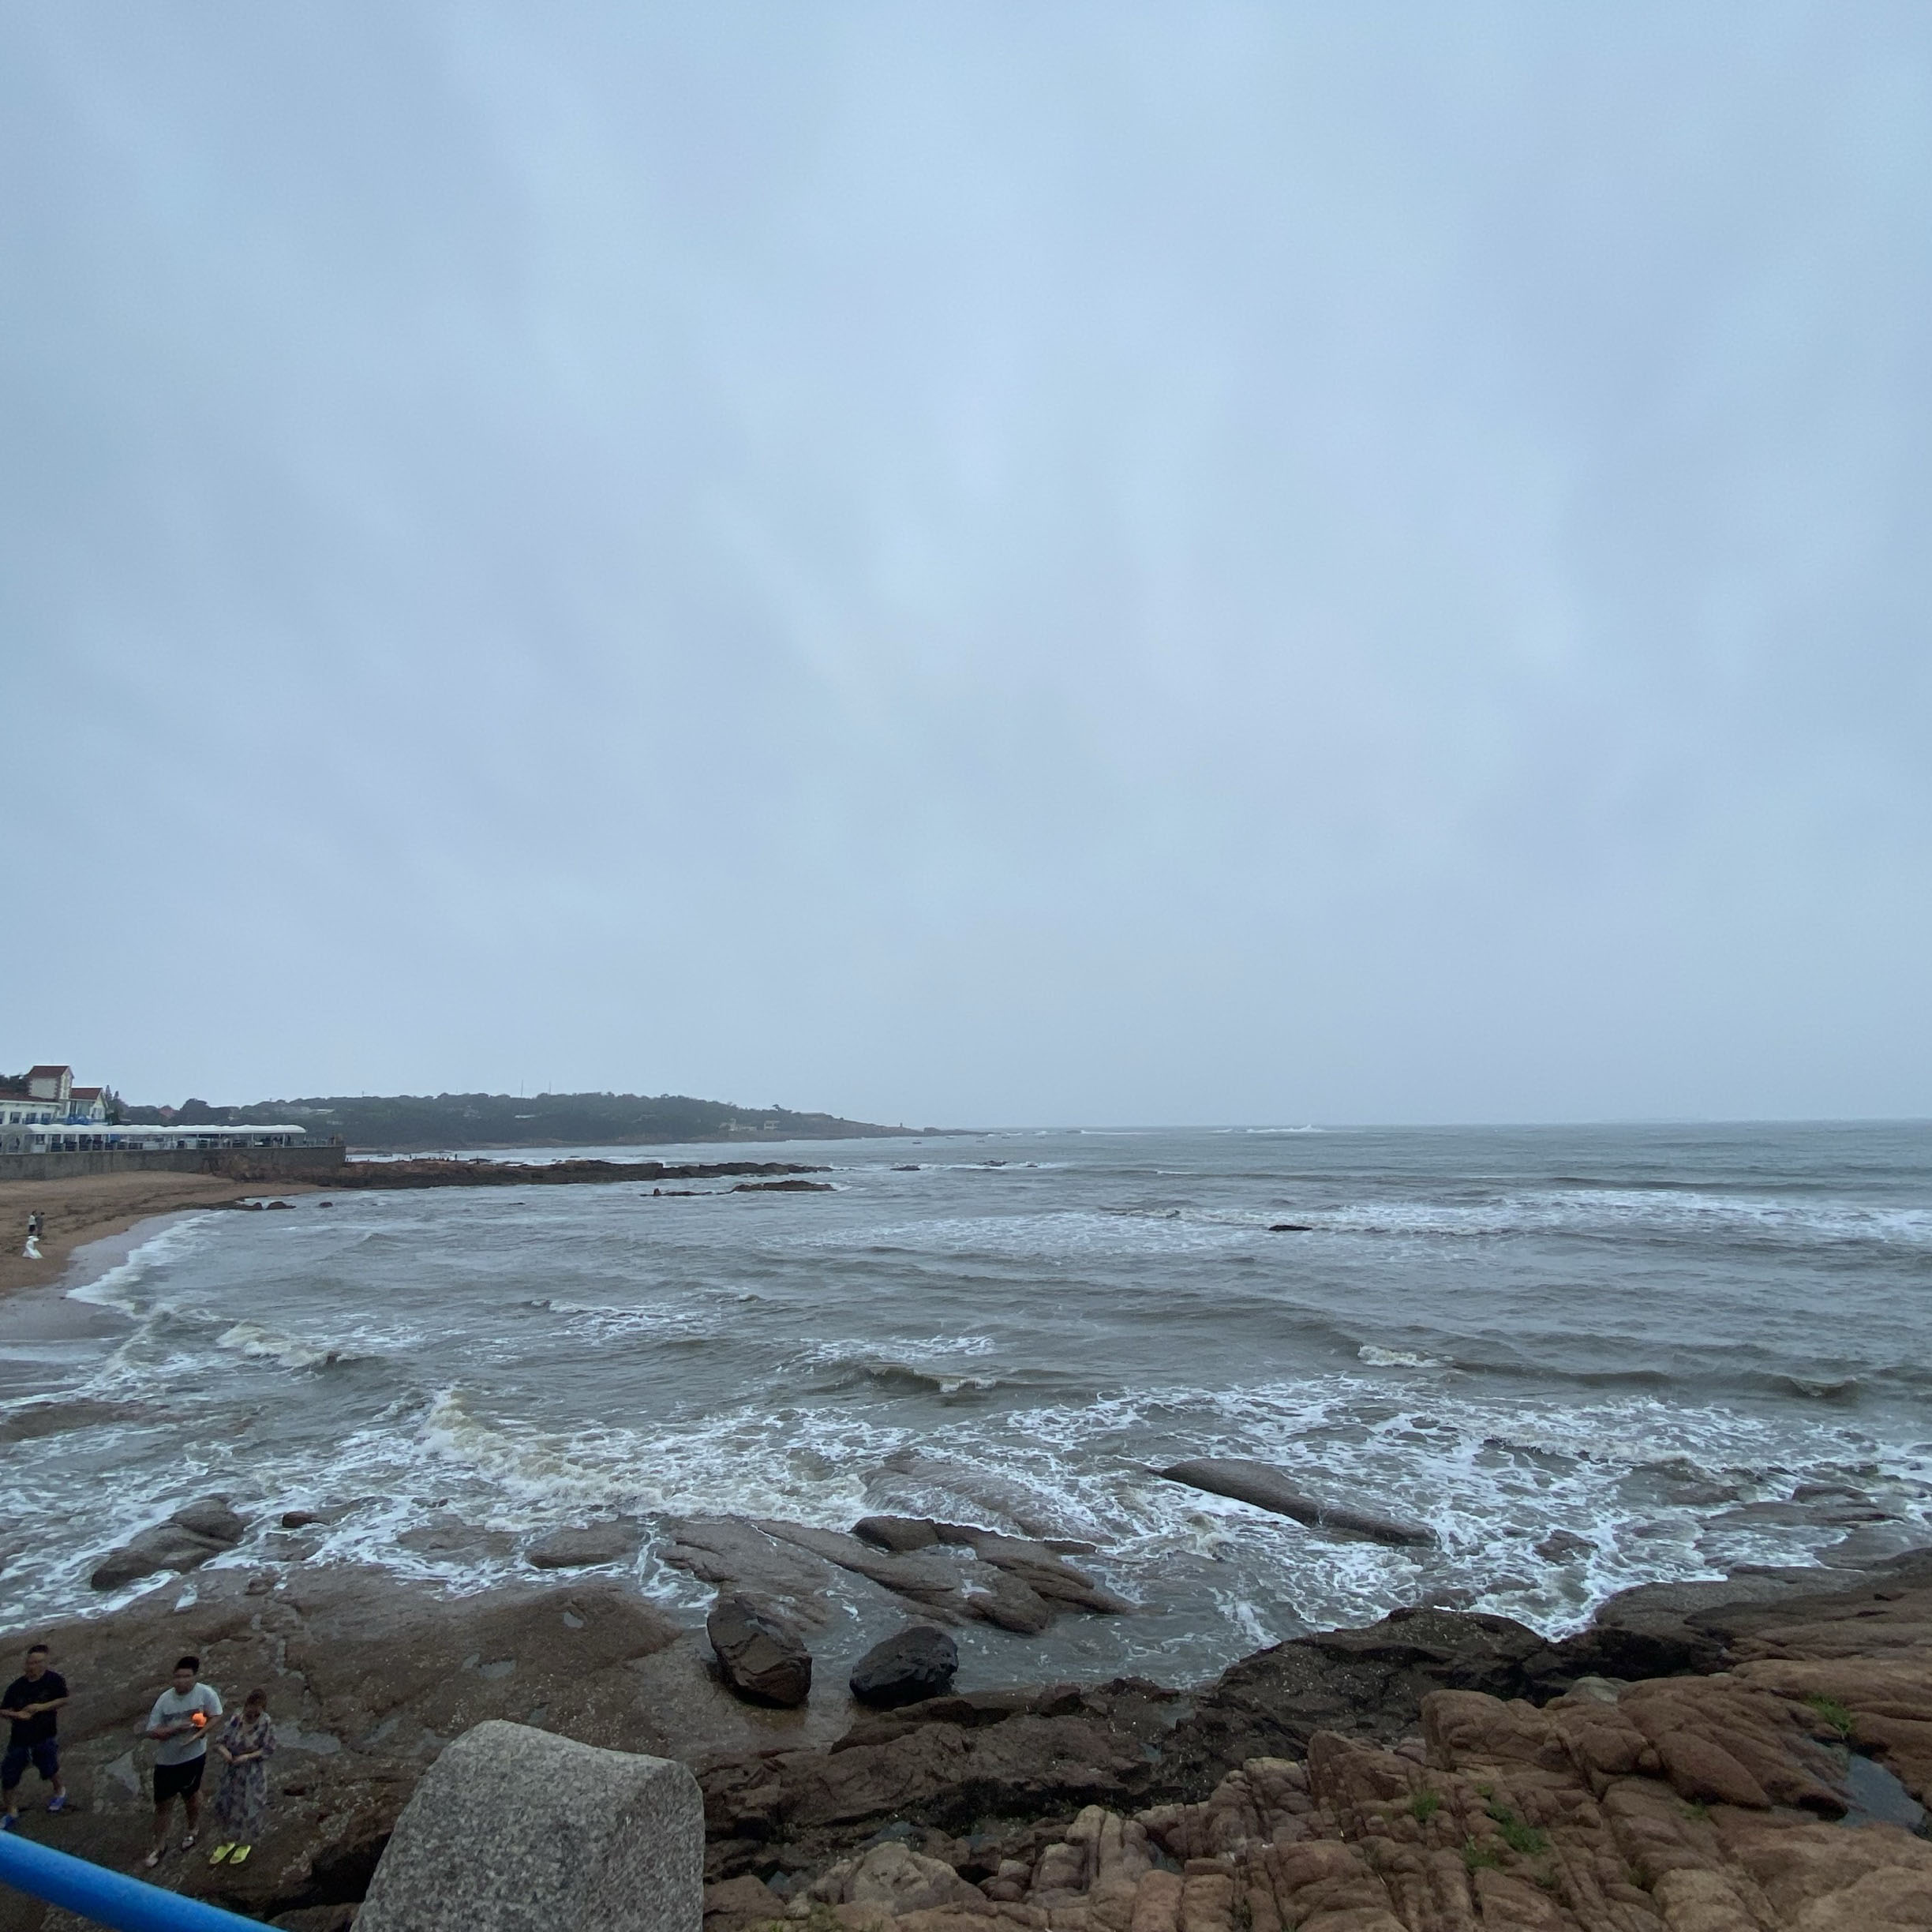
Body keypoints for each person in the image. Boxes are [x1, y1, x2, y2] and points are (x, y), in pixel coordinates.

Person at [142, 1656, 221, 1867]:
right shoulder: (165, 1700)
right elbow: (151, 1731)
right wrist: (173, 1730)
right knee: (163, 1804)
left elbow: (215, 1716)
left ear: (195, 1677)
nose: (181, 1681)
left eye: (187, 1676)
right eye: (177, 1676)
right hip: (167, 1761)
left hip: (193, 1757)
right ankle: (159, 1846)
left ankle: (192, 1829)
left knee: (191, 1795)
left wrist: (200, 1733)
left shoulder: (206, 1693)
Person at [1, 1643, 69, 1829]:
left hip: (44, 1735)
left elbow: (63, 1699)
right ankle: (11, 1810)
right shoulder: (17, 1687)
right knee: (9, 1775)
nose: (35, 1666)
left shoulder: (54, 1680)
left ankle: (59, 1791)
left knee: (49, 1768)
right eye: (31, 1662)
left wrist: (40, 1707)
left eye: (39, 1662)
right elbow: (3, 1709)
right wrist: (17, 1715)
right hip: (20, 1738)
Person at [208, 1689, 275, 1865]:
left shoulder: (266, 1722)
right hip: (231, 1771)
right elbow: (220, 1741)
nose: (252, 1714)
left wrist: (247, 1756)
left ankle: (245, 1844)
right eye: (250, 1710)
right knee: (227, 1805)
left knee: (250, 1806)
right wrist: (226, 1754)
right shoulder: (237, 1718)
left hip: (252, 1773)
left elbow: (268, 1749)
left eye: (257, 1712)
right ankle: (227, 1842)